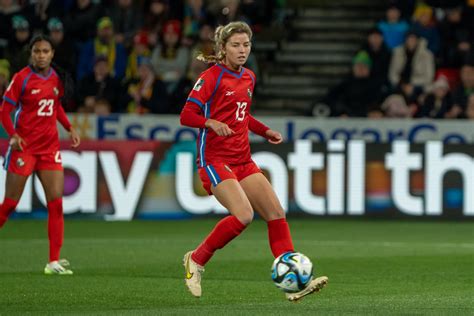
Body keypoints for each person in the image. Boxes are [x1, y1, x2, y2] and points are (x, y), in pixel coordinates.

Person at [179, 21, 328, 302]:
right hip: (214, 159)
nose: (242, 50)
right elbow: (186, 115)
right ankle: (196, 260)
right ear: (223, 48)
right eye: (235, 45)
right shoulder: (211, 77)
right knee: (244, 215)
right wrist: (210, 122)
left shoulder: (248, 77)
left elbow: (242, 116)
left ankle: (292, 283)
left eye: (246, 45)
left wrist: (264, 130)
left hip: (242, 159)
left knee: (275, 212)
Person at [0, 35, 80, 275]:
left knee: (56, 204)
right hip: (24, 149)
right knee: (9, 205)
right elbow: (5, 110)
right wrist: (13, 135)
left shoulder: (56, 78)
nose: (41, 55)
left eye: (45, 51)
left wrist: (68, 127)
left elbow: (55, 106)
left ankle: (53, 262)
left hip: (49, 149)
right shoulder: (21, 79)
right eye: (37, 51)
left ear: (52, 53)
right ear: (31, 54)